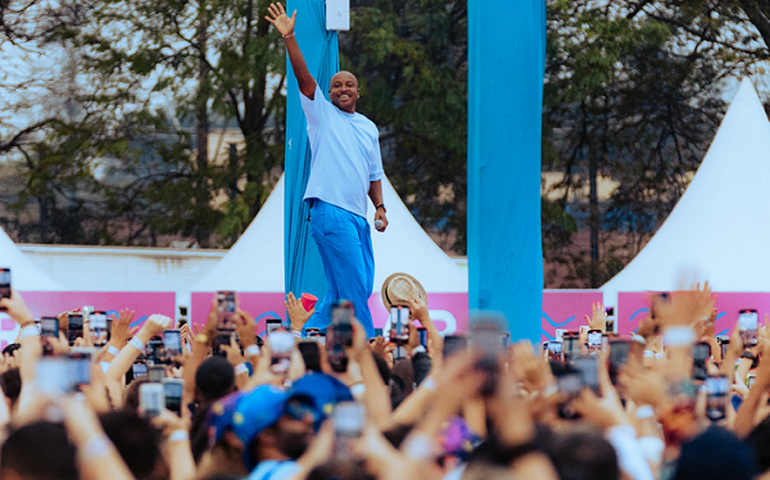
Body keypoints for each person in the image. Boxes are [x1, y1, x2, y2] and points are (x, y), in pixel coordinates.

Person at [266, 2, 388, 338]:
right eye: (336, 86)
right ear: (330, 93)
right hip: (330, 212)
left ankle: (306, 330)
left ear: (358, 92)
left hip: (358, 216)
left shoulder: (368, 128)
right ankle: (368, 344)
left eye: (349, 85)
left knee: (353, 287)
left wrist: (379, 207)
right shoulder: (320, 114)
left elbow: (373, 174)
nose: (343, 89)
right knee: (353, 289)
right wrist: (290, 38)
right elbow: (305, 80)